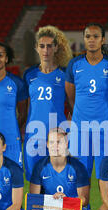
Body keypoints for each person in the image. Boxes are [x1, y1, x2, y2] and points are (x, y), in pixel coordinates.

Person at [65, 23, 108, 180]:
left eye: (95, 36)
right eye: (88, 36)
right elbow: (71, 96)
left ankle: (106, 206)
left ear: (103, 40)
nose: (91, 40)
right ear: (84, 40)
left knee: (105, 175)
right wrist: (80, 114)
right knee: (79, 175)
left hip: (105, 128)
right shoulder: (74, 64)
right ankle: (83, 206)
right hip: (80, 129)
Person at [29, 127, 91, 210]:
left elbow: (85, 200)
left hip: (73, 209)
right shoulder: (40, 166)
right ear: (47, 144)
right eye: (52, 142)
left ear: (66, 143)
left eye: (59, 142)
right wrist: (52, 201)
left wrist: (67, 201)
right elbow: (34, 199)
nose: (55, 146)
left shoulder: (77, 166)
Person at [23, 25, 73, 181]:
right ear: (36, 48)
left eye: (50, 46)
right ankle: (36, 207)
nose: (46, 50)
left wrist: (70, 133)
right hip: (34, 134)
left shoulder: (64, 75)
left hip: (57, 133)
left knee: (56, 178)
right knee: (34, 179)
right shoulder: (29, 75)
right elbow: (25, 108)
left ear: (56, 48)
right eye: (42, 46)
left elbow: (73, 106)